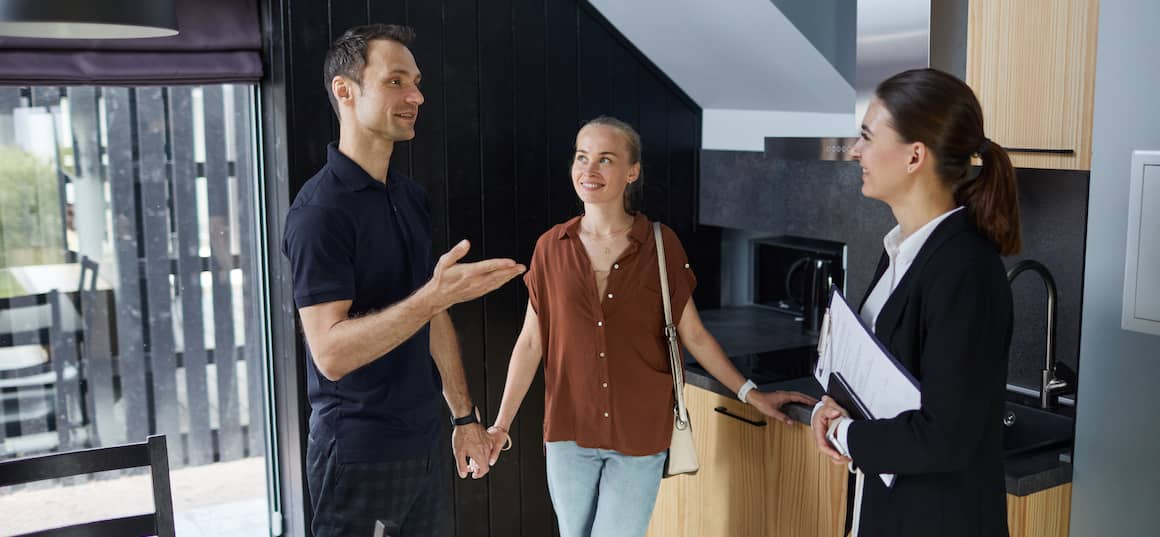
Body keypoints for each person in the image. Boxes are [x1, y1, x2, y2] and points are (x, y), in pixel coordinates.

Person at [484, 116, 817, 537]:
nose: (589, 170)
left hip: (640, 433)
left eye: (605, 159)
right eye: (582, 157)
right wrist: (500, 425)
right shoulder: (551, 247)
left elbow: (693, 334)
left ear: (632, 171)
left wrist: (751, 394)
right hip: (568, 432)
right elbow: (531, 342)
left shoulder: (661, 244)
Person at [281, 24, 525, 537]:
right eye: (395, 81)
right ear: (344, 91)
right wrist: (431, 298)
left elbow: (430, 314)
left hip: (424, 445)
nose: (416, 95)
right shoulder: (318, 212)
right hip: (358, 455)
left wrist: (463, 418)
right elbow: (330, 353)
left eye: (415, 82)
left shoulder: (409, 196)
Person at [810, 68, 1021, 537]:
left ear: (914, 156)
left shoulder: (965, 268)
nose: (856, 150)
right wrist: (835, 406)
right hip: (891, 512)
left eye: (867, 135)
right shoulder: (903, 251)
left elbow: (943, 438)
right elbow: (891, 375)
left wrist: (846, 434)